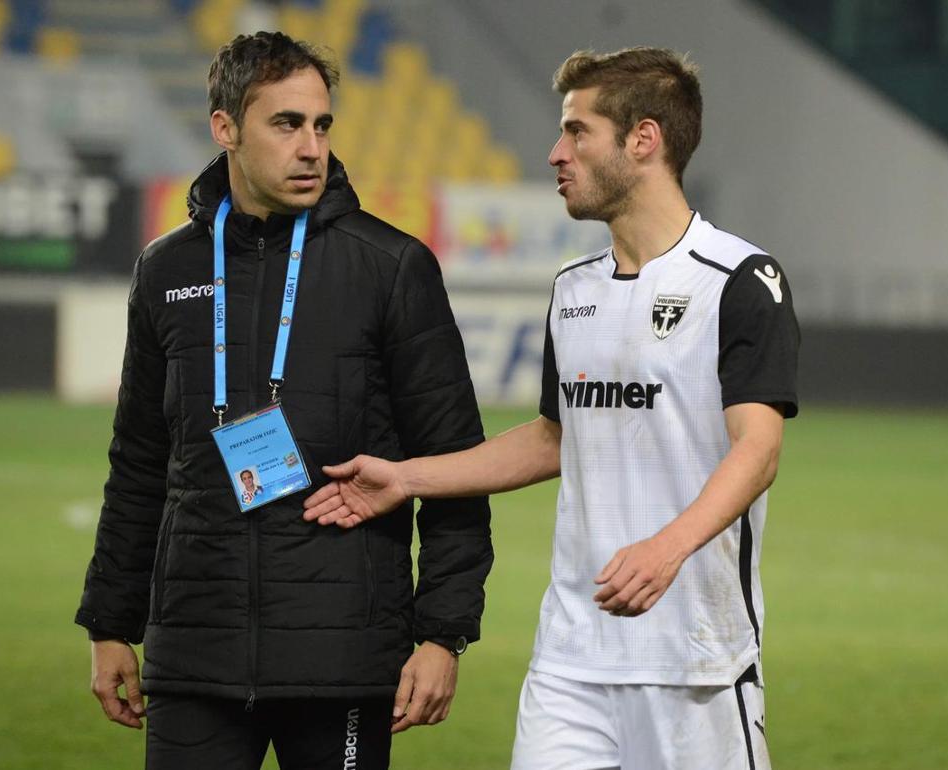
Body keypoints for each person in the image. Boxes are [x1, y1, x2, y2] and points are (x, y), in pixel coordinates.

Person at [303, 47, 800, 769]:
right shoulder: (574, 290)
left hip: (694, 661)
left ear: (644, 140)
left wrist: (666, 548)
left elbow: (757, 450)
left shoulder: (740, 280)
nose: (555, 153)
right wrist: (408, 477)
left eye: (577, 132)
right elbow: (551, 440)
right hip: (573, 661)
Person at [75, 31, 493, 770]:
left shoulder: (392, 266)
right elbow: (139, 461)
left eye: (322, 124)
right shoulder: (166, 269)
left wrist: (442, 634)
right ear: (225, 127)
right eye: (287, 123)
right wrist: (110, 624)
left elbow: (454, 463)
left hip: (344, 661)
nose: (311, 147)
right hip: (194, 657)